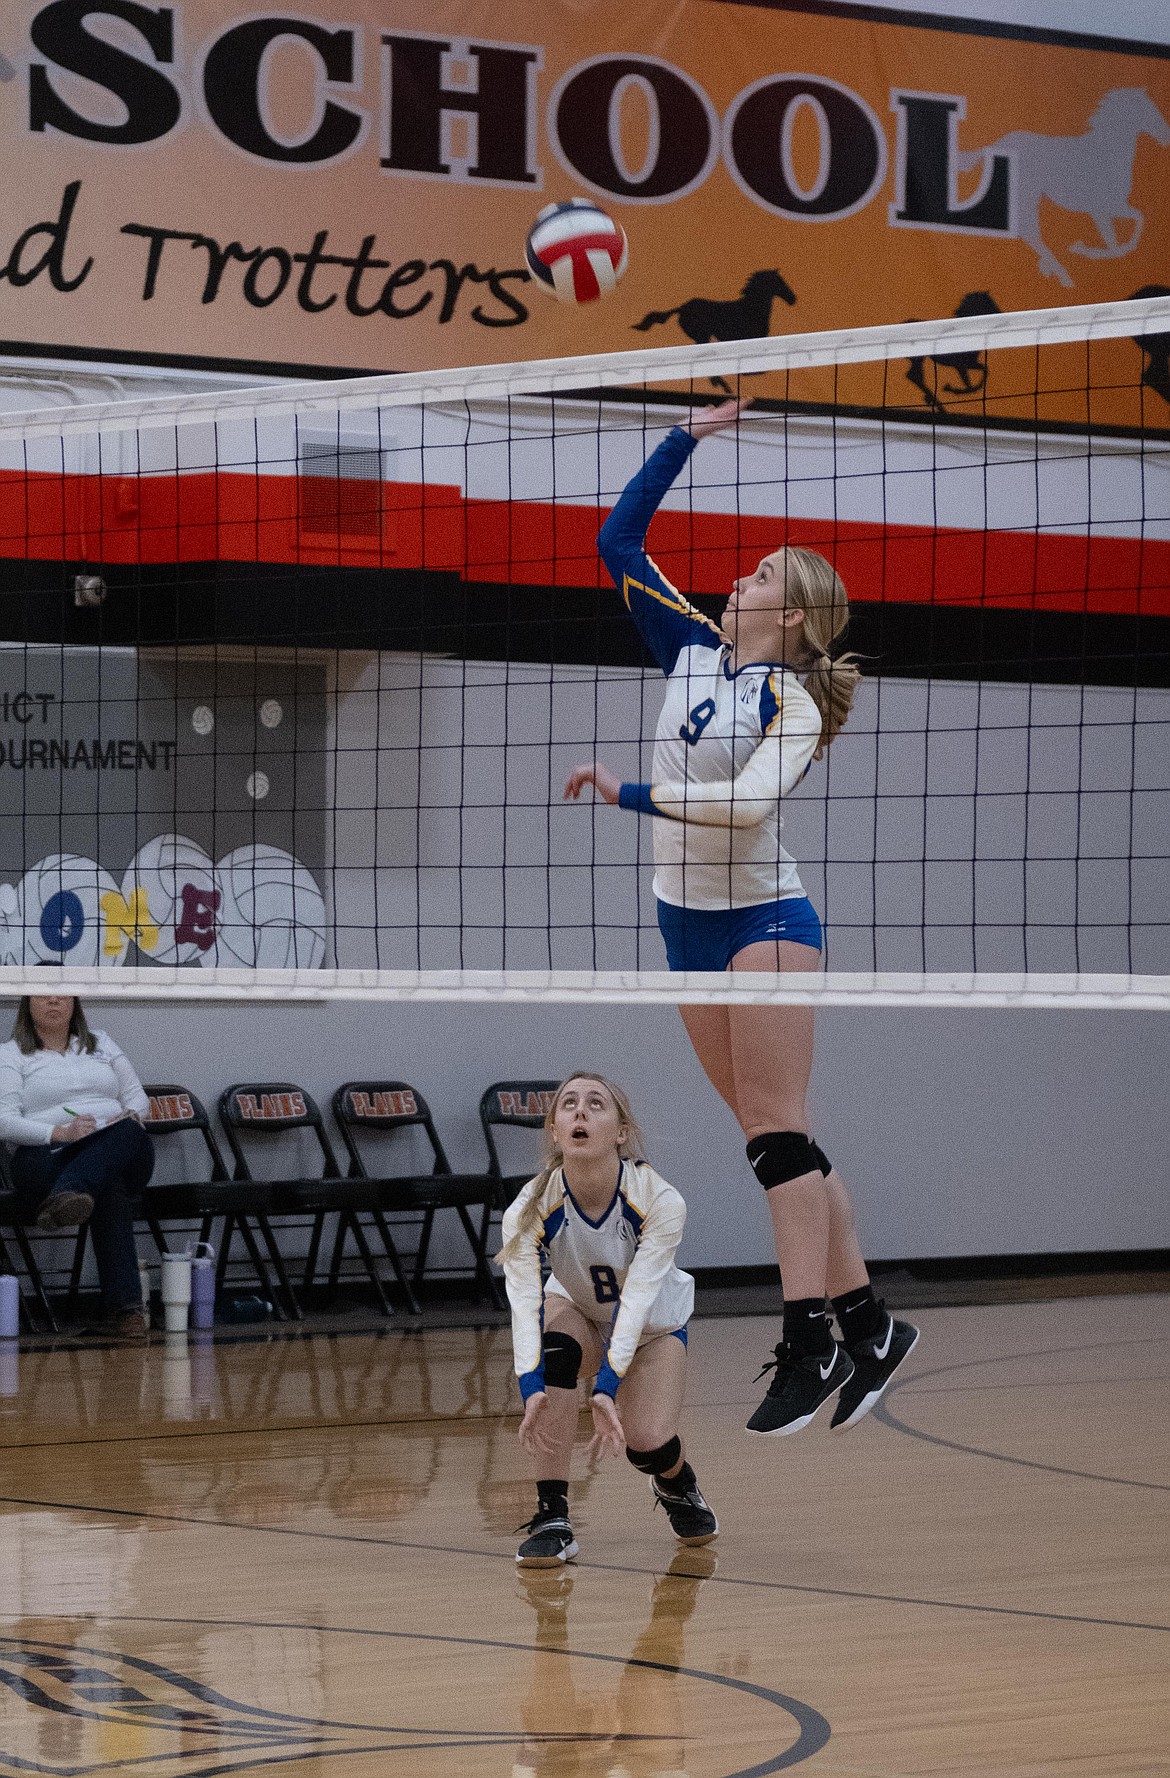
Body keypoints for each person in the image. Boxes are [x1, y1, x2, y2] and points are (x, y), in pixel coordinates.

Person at [565, 400, 918, 1438]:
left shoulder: (793, 702)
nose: (739, 577)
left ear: (794, 614)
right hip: (685, 923)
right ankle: (872, 1324)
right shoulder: (685, 646)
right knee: (780, 1136)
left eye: (762, 572)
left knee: (774, 1134)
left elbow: (747, 805)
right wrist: (683, 439)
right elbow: (615, 541)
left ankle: (809, 1334)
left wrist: (630, 792)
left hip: (766, 915)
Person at [499, 1071, 717, 1567]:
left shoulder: (659, 1200)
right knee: (556, 1352)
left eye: (596, 1104)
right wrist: (530, 1386)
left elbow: (636, 1303)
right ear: (555, 1130)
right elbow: (524, 1306)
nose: (579, 1111)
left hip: (652, 1329)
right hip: (576, 1309)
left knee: (645, 1441)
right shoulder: (530, 1206)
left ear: (620, 1131)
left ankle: (676, 1482)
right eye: (568, 1104)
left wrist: (604, 1388)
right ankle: (553, 1517)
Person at [0, 994, 154, 1339]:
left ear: (75, 1001)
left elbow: (138, 1100)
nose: (54, 999)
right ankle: (127, 1312)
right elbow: (3, 1122)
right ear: (27, 1002)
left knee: (131, 1129)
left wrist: (120, 1119)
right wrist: (60, 1132)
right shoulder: (9, 1054)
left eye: (62, 992)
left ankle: (70, 1193)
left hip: (117, 1144)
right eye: (43, 992)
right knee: (108, 1186)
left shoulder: (101, 1042)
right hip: (44, 1156)